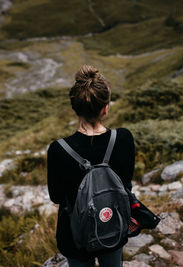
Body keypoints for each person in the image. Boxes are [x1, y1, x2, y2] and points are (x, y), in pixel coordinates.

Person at [47, 65, 135, 267]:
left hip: (74, 235)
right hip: (113, 222)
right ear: (106, 108)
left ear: (75, 108)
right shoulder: (123, 138)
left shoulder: (58, 149)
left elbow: (57, 197)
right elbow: (126, 183)